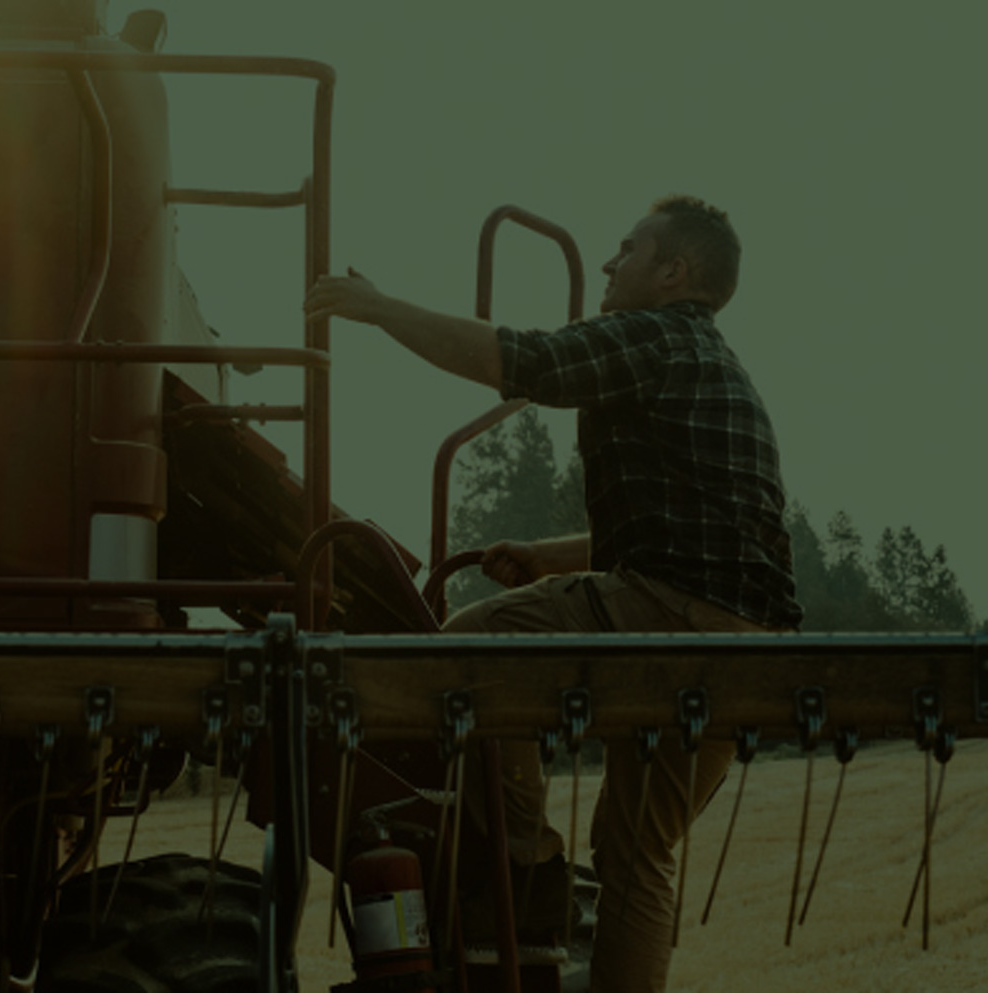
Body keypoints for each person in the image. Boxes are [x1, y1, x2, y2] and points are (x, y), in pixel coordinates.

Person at [304, 194, 802, 993]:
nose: (609, 262)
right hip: (747, 643)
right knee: (639, 857)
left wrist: (378, 308)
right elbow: (705, 530)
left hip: (668, 615)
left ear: (673, 273)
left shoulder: (656, 335)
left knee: (469, 645)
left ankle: (522, 858)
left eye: (628, 248)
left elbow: (525, 361)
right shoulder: (714, 362)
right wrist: (548, 555)